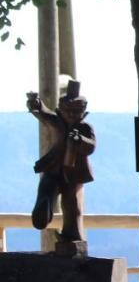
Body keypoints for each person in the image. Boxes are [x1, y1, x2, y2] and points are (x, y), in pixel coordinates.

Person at [27, 80, 96, 249]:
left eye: (76, 111)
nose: (71, 115)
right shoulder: (57, 123)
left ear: (83, 112)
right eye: (68, 111)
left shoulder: (85, 128)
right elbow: (44, 114)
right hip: (54, 169)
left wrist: (80, 140)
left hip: (74, 174)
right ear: (61, 111)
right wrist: (36, 105)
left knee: (71, 205)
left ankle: (71, 235)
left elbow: (91, 146)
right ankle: (43, 210)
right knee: (46, 188)